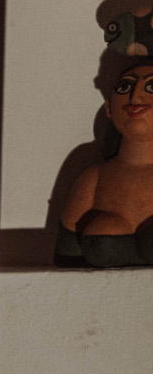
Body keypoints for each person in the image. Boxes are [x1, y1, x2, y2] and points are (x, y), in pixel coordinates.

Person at [56, 57, 153, 267]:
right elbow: (66, 258)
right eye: (125, 87)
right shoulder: (94, 178)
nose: (135, 97)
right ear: (109, 107)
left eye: (151, 87)